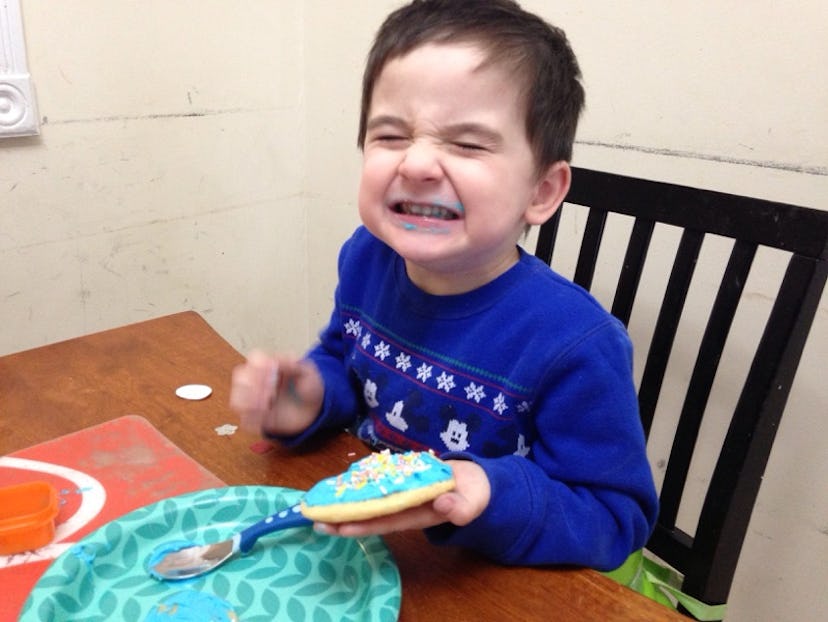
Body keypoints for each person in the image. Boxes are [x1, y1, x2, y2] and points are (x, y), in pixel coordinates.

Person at [230, 0, 658, 570]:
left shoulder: (576, 343)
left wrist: (487, 493)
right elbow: (344, 361)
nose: (418, 163)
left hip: (492, 580)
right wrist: (303, 399)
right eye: (390, 135)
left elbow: (614, 517)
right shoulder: (366, 258)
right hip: (371, 555)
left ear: (541, 192)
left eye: (467, 143)